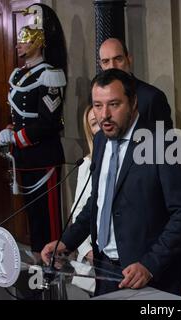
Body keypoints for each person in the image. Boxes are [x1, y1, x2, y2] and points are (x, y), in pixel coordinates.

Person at [41, 69, 181, 297]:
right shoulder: (102, 141)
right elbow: (97, 204)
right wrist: (66, 242)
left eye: (114, 104)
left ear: (133, 103)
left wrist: (150, 265)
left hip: (151, 276)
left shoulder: (165, 144)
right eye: (97, 105)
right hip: (105, 270)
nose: (104, 115)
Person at [0, 3, 67, 253]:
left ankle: (52, 266)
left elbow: (49, 122)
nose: (18, 45)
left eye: (23, 41)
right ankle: (38, 263)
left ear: (37, 43)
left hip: (43, 156)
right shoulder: (18, 75)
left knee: (48, 222)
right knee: (32, 219)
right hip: (24, 158)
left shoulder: (50, 74)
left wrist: (17, 137)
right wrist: (9, 129)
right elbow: (17, 115)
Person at [99, 38, 173, 129]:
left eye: (118, 59)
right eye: (106, 61)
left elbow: (165, 140)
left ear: (129, 59)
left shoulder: (152, 98)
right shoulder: (97, 98)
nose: (112, 66)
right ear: (101, 66)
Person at [70, 105, 100, 294]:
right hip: (93, 256)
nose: (100, 126)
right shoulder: (86, 164)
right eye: (94, 124)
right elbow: (78, 211)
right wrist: (86, 250)